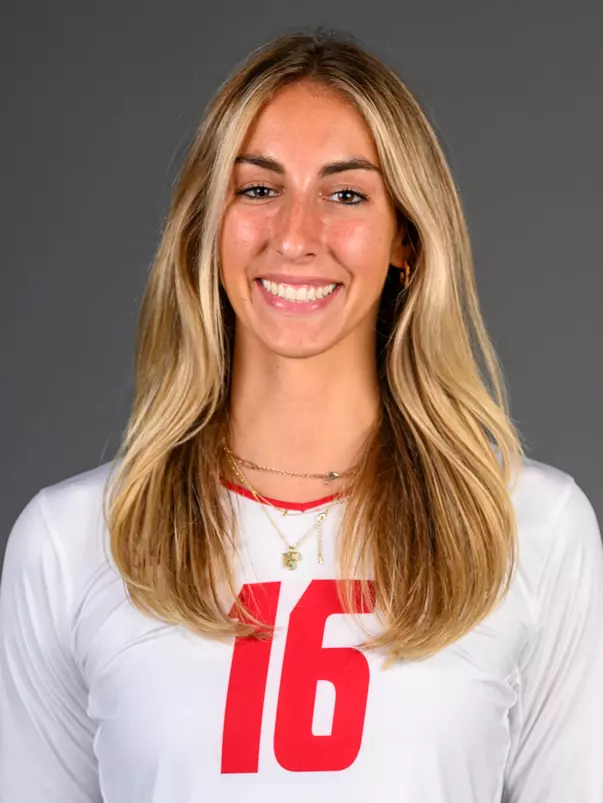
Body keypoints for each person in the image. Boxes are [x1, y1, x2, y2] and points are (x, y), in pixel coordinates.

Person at [1, 27, 602, 803]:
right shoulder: (71, 541)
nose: (294, 235)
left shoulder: (528, 528)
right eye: (257, 189)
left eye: (345, 194)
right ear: (206, 228)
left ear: (407, 242)